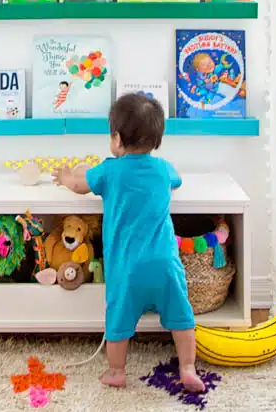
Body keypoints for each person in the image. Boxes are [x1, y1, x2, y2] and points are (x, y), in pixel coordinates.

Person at [53, 94, 205, 392]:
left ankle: (116, 371)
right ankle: (187, 367)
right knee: (182, 318)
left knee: (119, 321)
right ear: (157, 139)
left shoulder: (109, 171)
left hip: (126, 268)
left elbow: (79, 186)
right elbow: (177, 180)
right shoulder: (162, 169)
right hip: (165, 264)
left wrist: (65, 176)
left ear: (117, 139)